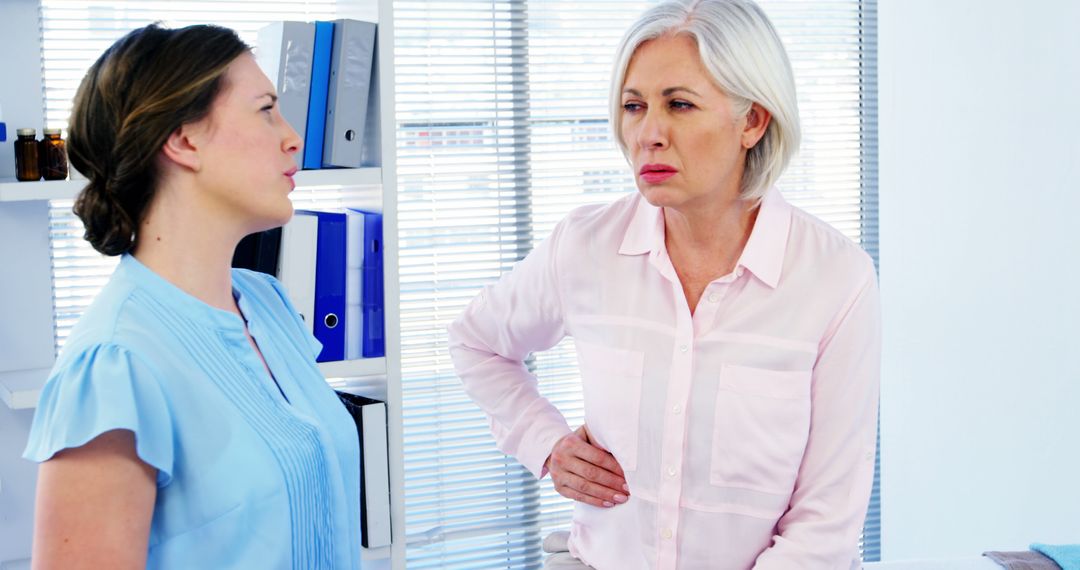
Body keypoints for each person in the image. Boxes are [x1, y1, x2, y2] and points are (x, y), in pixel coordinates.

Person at [447, 0, 880, 568]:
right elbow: (475, 342)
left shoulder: (835, 278)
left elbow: (825, 524)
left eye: (679, 104)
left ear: (751, 121)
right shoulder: (584, 246)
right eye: (633, 106)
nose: (647, 134)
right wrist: (545, 443)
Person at [23, 24, 362, 569]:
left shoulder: (268, 305)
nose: (293, 137)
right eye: (266, 109)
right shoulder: (116, 367)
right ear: (183, 140)